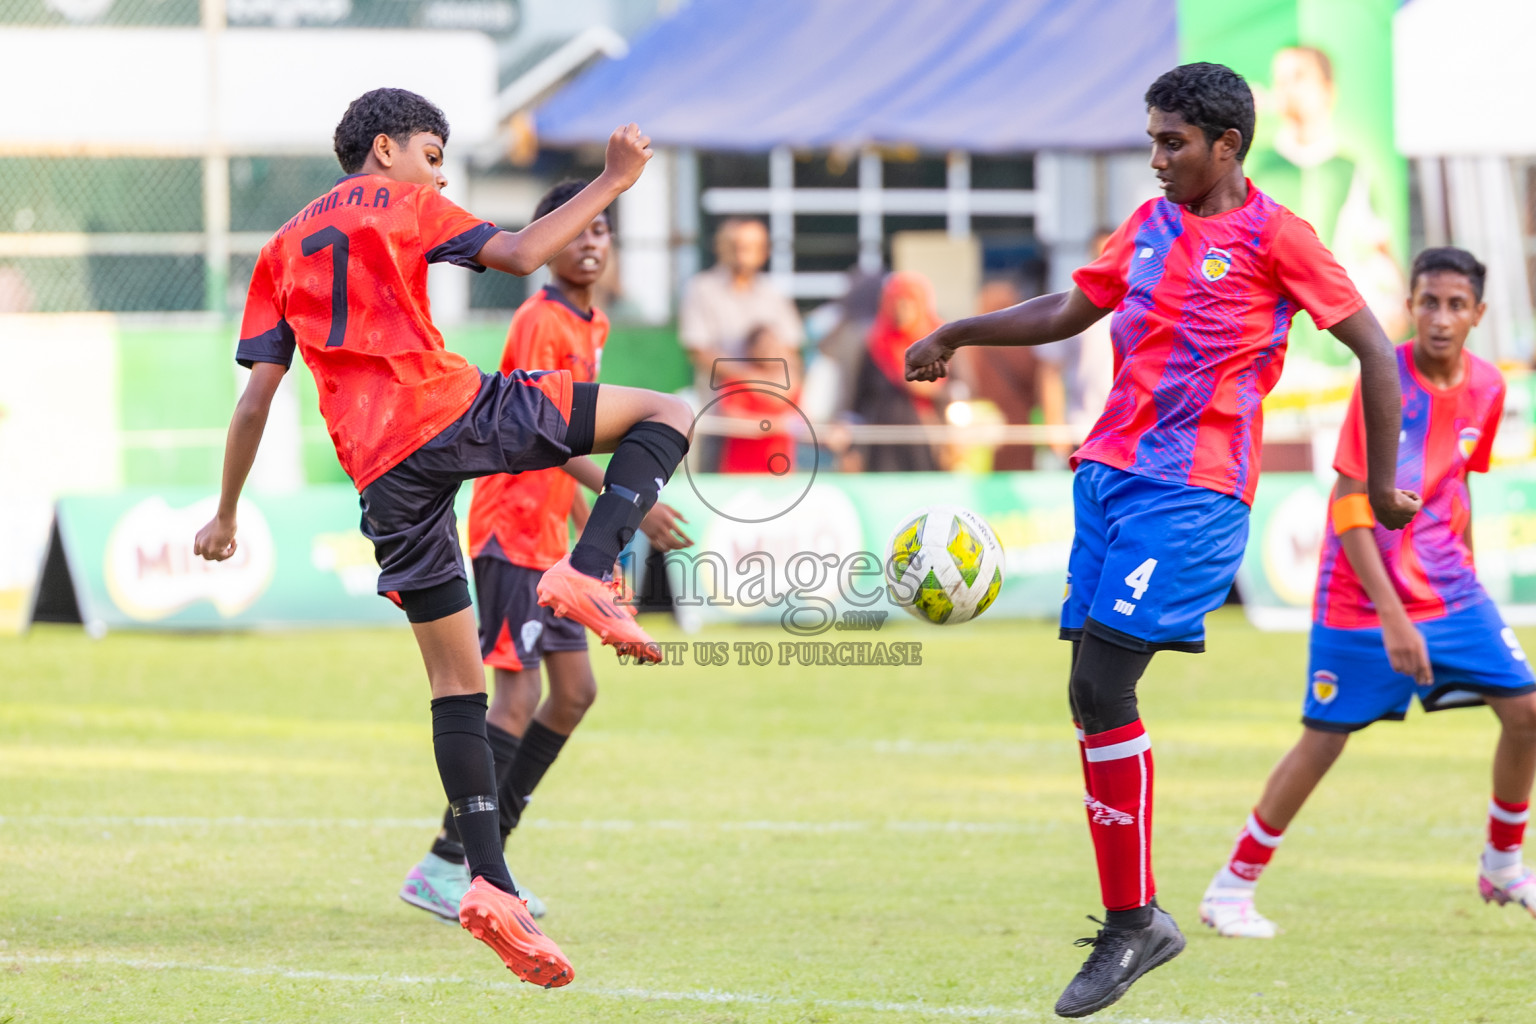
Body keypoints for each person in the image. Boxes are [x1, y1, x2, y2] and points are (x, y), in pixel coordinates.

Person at [905, 63, 1420, 1018]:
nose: (1156, 158)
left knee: (1104, 683)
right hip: (1107, 480)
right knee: (1088, 692)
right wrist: (963, 330)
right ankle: (1135, 920)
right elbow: (1070, 309)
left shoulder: (1279, 237)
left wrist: (1385, 483)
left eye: (1172, 142)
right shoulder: (1147, 227)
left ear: (1227, 146)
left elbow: (1378, 354)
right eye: (1151, 139)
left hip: (1193, 491)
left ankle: (1134, 923)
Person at [192, 88, 693, 988]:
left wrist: (226, 511)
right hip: (446, 410)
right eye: (433, 152)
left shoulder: (275, 252)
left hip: (379, 471)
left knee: (455, 684)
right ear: (384, 148)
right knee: (665, 412)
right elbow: (519, 251)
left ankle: (487, 884)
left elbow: (257, 398)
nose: (440, 169)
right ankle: (586, 573)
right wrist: (614, 181)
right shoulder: (403, 200)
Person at [1199, 248, 1536, 938]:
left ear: (1478, 314)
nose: (1440, 318)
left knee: (1527, 711)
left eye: (1455, 305)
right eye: (1428, 303)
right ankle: (1231, 887)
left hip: (1448, 589)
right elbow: (1351, 504)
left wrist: (1465, 576)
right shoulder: (1384, 379)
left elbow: (1458, 482)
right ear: (1409, 306)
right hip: (1362, 593)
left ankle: (1503, 862)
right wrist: (1393, 618)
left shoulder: (1488, 387)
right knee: (1324, 741)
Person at [399, 179, 694, 925]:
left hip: (552, 536)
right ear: (553, 241)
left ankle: (484, 851)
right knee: (519, 696)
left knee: (574, 694)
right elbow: (538, 429)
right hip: (512, 529)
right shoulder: (541, 318)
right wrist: (627, 497)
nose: (590, 243)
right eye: (577, 231)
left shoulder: (587, 322)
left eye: (603, 232)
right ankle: (450, 864)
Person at [678, 218, 804, 376]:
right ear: (721, 247)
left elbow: (791, 345)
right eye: (737, 245)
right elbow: (698, 350)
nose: (742, 252)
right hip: (719, 396)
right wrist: (750, 379)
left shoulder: (773, 292)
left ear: (765, 251)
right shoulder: (702, 289)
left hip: (769, 397)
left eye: (752, 247)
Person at [854, 271, 947, 473]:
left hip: (930, 443)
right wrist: (853, 449)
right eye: (895, 302)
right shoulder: (875, 344)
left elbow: (963, 390)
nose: (901, 310)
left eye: (908, 303)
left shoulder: (942, 342)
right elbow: (859, 399)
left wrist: (932, 392)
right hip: (884, 445)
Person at [715, 324, 802, 475]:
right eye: (764, 345)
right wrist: (775, 425)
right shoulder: (736, 382)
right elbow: (733, 421)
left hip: (780, 469)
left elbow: (802, 420)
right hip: (743, 468)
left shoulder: (792, 383)